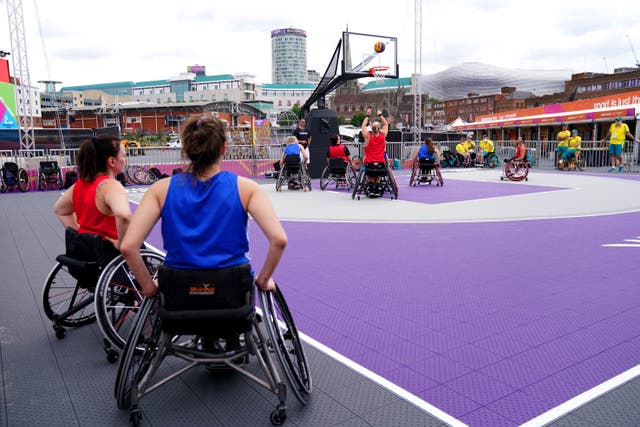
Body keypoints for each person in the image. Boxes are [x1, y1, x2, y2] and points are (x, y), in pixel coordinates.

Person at [120, 115, 287, 299]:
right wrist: (263, 279)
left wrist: (149, 287)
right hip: (231, 290)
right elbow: (278, 239)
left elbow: (129, 246)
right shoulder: (246, 188)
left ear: (186, 148)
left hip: (178, 290)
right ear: (223, 148)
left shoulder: (160, 190)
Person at [53, 135, 131, 250]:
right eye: (124, 155)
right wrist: (122, 244)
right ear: (112, 161)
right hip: (109, 251)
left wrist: (81, 236)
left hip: (87, 251)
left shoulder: (78, 185)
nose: (125, 159)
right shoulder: (111, 186)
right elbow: (124, 216)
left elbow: (60, 210)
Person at [360, 107, 388, 186]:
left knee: (370, 175)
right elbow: (386, 124)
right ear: (379, 129)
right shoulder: (383, 136)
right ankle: (377, 186)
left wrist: (367, 116)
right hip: (380, 163)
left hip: (369, 163)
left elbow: (363, 126)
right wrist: (380, 115)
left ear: (371, 128)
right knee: (378, 175)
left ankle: (370, 185)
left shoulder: (368, 136)